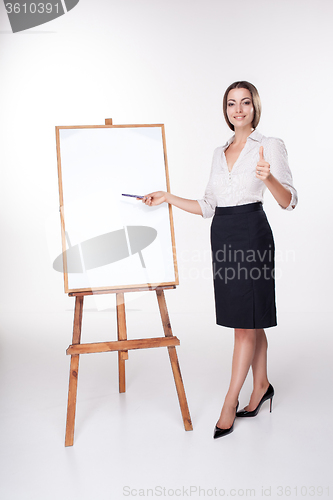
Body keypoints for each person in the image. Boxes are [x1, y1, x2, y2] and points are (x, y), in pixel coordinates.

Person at [138, 81, 298, 438]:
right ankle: (262, 386)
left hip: (252, 233)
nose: (238, 109)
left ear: (255, 107)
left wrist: (268, 176)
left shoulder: (269, 145)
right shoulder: (218, 151)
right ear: (225, 110)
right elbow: (208, 206)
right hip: (222, 234)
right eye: (231, 104)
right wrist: (167, 196)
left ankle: (230, 402)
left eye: (244, 103)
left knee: (244, 324)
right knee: (248, 317)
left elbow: (289, 201)